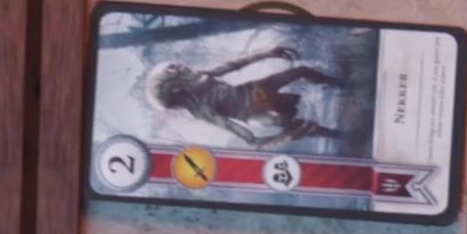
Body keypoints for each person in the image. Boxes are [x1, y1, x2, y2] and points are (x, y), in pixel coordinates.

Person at [143, 44, 350, 148]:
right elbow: (251, 140)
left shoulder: (202, 78)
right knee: (296, 123)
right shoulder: (201, 109)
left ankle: (343, 85)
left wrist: (266, 53)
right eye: (177, 72)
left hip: (254, 90)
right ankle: (340, 136)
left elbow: (233, 65)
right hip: (254, 112)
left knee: (301, 71)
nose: (183, 68)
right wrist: (285, 137)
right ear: (175, 89)